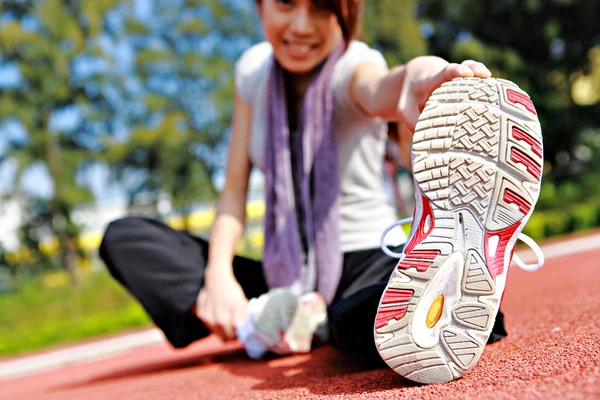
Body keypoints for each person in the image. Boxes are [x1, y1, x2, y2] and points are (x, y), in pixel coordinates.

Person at [100, 0, 542, 384]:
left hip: (363, 262)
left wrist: (424, 77)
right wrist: (219, 277)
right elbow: (233, 192)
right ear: (261, 6)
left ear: (344, 14)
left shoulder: (352, 66)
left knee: (354, 320)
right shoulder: (251, 74)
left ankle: (435, 289)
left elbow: (385, 86)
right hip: (283, 275)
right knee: (126, 238)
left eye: (322, 8)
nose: (302, 26)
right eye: (287, 3)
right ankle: (272, 316)